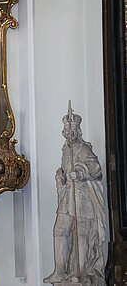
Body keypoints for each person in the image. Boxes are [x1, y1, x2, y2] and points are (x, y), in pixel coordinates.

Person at [44, 109, 106, 285]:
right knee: (60, 230)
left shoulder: (84, 149)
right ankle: (59, 271)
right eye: (67, 131)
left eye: (72, 131)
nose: (69, 133)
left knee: (82, 235)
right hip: (66, 197)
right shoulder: (66, 149)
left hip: (82, 199)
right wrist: (61, 176)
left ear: (77, 131)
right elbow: (63, 170)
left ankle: (79, 273)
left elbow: (96, 170)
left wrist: (79, 173)